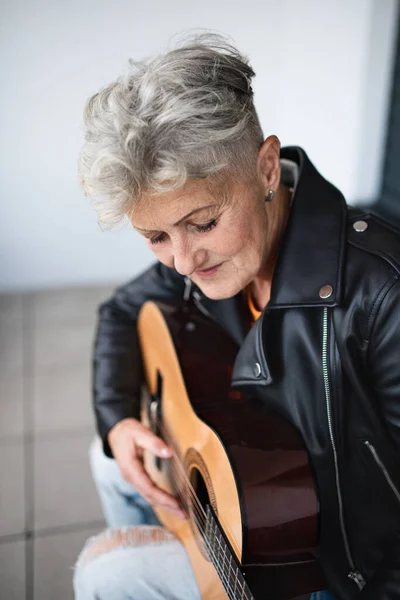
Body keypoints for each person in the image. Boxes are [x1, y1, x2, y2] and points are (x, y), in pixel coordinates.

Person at [73, 33, 400, 600]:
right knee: (108, 455)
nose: (184, 262)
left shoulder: (383, 296)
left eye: (203, 223)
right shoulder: (215, 259)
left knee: (105, 574)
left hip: (336, 570)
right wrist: (115, 419)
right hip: (252, 499)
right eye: (156, 236)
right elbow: (123, 309)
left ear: (267, 168)